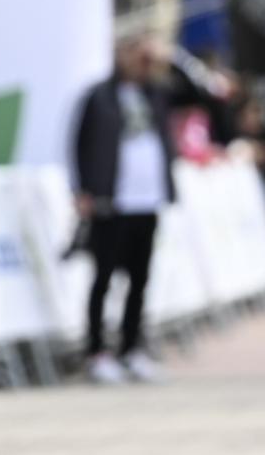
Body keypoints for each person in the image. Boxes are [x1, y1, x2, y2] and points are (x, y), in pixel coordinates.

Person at [71, 28, 229, 384]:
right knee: (103, 278)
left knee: (140, 280)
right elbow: (80, 144)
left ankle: (132, 349)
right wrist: (83, 190)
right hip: (111, 201)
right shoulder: (100, 96)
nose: (139, 59)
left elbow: (204, 96)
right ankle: (96, 351)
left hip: (148, 199)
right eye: (132, 51)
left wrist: (172, 57)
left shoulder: (157, 92)